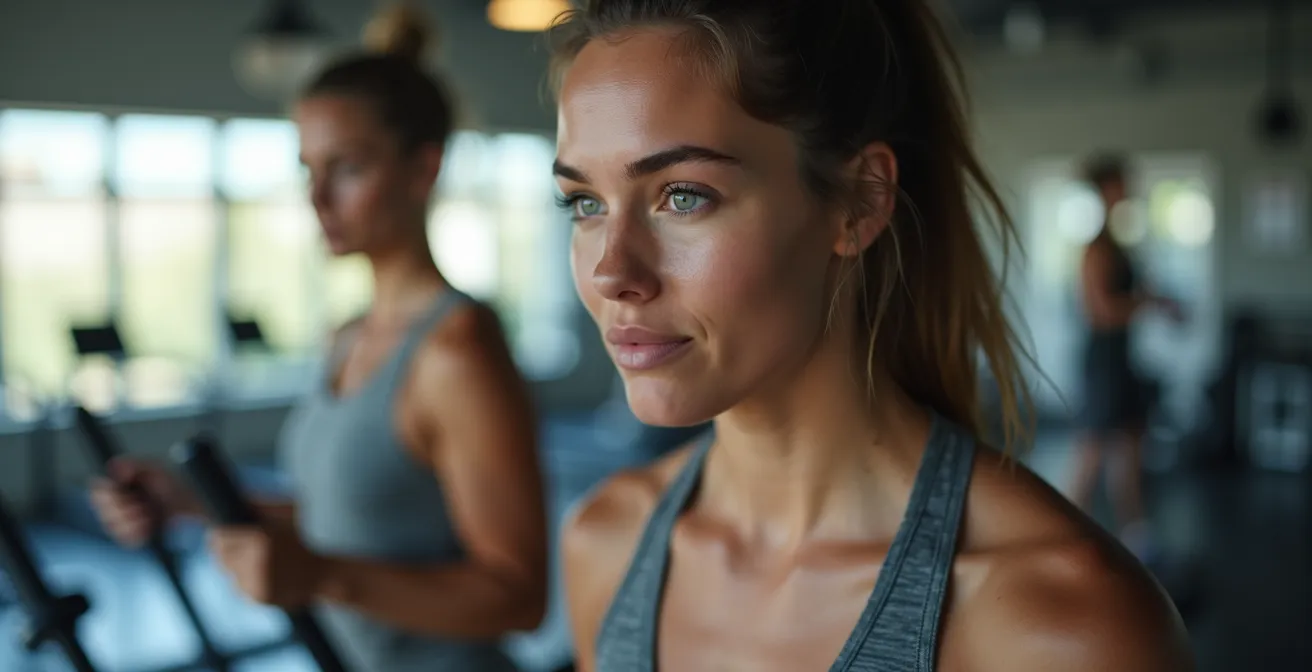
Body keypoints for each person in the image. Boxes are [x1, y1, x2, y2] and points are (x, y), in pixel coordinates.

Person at [548, 1, 1193, 671]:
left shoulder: (1061, 627)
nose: (611, 273)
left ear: (860, 201)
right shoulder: (607, 544)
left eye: (683, 195)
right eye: (584, 204)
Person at [89, 5, 548, 671]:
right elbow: (345, 518)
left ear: (423, 170)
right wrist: (190, 504)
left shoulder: (458, 350)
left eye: (347, 168)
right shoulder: (347, 335)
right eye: (308, 168)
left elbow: (519, 596)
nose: (316, 198)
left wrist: (323, 578)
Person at [1067, 154, 1184, 565]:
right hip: (1102, 362)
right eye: (1120, 184)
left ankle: (1137, 535)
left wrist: (1158, 302)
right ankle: (1064, 541)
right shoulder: (1095, 249)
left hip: (1123, 361)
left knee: (1132, 446)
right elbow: (1100, 312)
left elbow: (1132, 299)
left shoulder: (1118, 245)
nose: (1126, 191)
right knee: (1091, 454)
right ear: (1104, 190)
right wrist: (1147, 302)